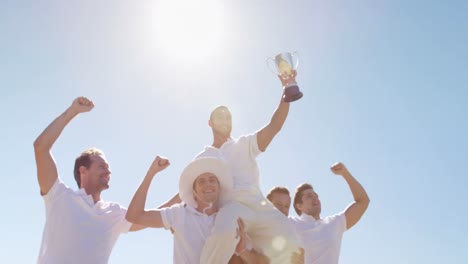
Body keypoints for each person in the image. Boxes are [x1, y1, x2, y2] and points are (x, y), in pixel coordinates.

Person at [196, 71, 302, 264]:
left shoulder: (243, 144)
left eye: (228, 117)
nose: (225, 120)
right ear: (210, 123)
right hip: (233, 208)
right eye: (220, 117)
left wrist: (287, 89)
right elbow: (188, 189)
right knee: (224, 231)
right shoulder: (204, 157)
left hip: (259, 208)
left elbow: (275, 125)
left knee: (292, 241)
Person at [33, 97, 145, 264]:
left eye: (108, 167)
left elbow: (150, 218)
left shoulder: (113, 213)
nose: (108, 171)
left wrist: (185, 194)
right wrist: (72, 112)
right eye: (102, 166)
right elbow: (41, 147)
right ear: (83, 170)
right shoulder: (59, 196)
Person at [125, 156, 270, 264]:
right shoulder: (179, 214)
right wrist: (151, 173)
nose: (208, 185)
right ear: (194, 191)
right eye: (201, 181)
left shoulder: (232, 219)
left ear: (219, 187)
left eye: (212, 180)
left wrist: (243, 251)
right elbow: (134, 216)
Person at [291, 162, 370, 264]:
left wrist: (345, 173)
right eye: (309, 196)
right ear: (299, 206)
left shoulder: (334, 223)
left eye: (316, 196)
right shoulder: (290, 223)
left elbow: (363, 201)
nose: (315, 198)